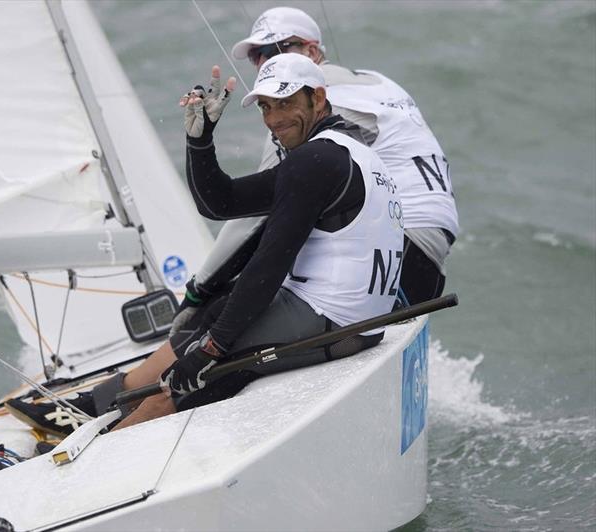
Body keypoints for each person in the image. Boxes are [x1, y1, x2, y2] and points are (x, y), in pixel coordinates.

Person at [6, 53, 404, 435]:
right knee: (214, 310)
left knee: (186, 375)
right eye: (265, 107)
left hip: (333, 322)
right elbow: (221, 203)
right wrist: (200, 141)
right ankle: (97, 403)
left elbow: (268, 266)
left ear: (318, 97)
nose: (275, 120)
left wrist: (211, 349)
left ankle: (98, 454)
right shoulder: (345, 154)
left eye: (284, 103)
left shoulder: (313, 163)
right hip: (350, 318)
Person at [172, 6, 458, 337]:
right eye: (256, 56)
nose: (263, 64)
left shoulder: (301, 106)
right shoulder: (380, 82)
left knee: (224, 309)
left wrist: (198, 291)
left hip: (399, 249)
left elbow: (252, 219)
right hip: (430, 254)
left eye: (274, 50)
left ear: (311, 51)